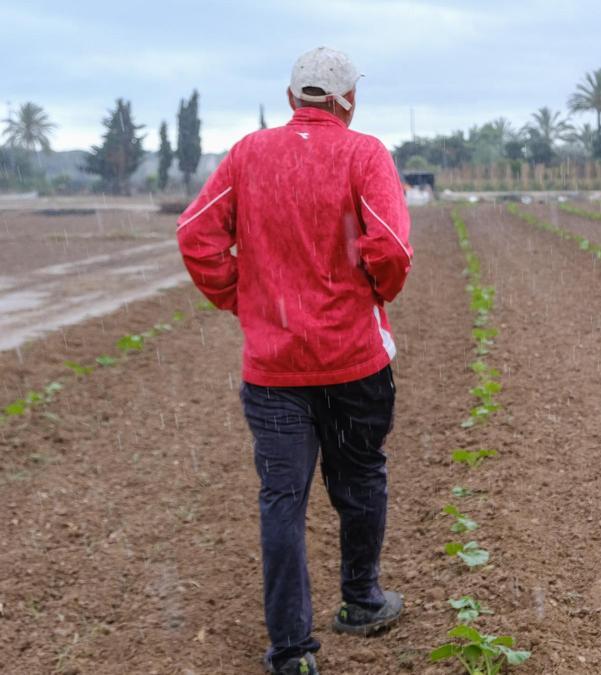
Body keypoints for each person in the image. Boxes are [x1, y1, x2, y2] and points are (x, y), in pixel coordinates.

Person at [176, 46, 413, 675]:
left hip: (274, 370)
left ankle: (291, 651)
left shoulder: (248, 154)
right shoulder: (366, 154)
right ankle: (362, 600)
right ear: (348, 101)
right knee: (360, 481)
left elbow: (195, 235)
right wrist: (374, 292)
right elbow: (390, 246)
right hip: (356, 362)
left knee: (283, 498)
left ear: (291, 99)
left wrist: (242, 298)